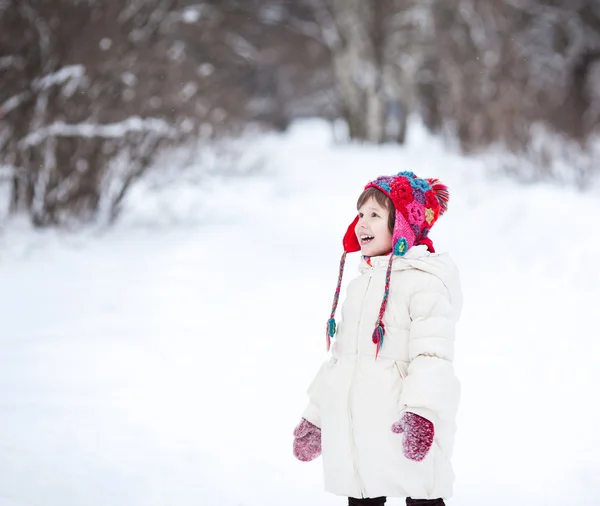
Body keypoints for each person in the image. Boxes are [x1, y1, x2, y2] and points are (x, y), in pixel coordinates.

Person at [293, 172, 462, 506]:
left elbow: (433, 356)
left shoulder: (424, 283)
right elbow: (341, 362)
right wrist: (316, 416)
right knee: (362, 496)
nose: (362, 224)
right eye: (360, 214)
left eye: (375, 215)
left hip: (404, 424)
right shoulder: (360, 285)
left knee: (421, 494)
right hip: (360, 431)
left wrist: (422, 413)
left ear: (401, 224)